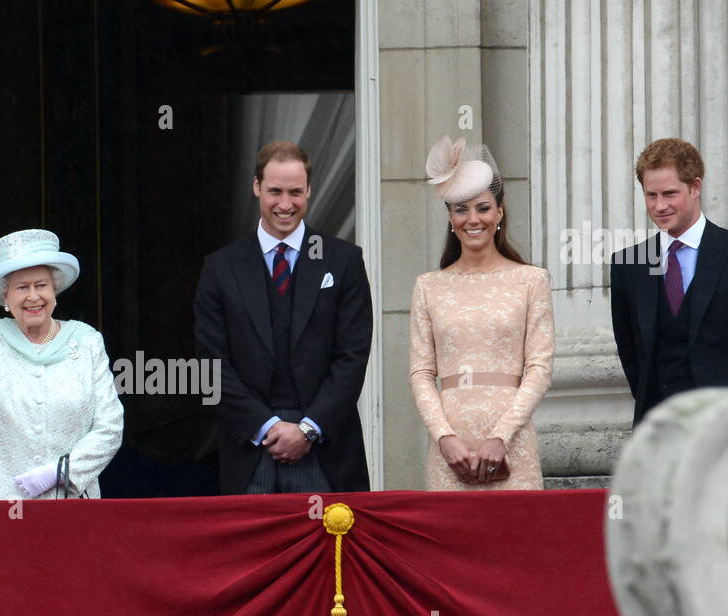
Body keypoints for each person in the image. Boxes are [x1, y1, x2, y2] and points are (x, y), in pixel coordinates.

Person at [193, 141, 373, 495]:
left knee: (327, 535)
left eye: (295, 192)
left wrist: (308, 429)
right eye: (275, 191)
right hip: (249, 448)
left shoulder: (344, 260)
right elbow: (210, 363)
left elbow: (352, 356)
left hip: (327, 449)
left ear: (309, 190)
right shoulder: (220, 267)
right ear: (256, 186)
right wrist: (267, 426)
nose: (286, 204)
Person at [610, 138, 728, 426]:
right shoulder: (628, 265)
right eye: (651, 195)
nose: (660, 206)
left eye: (670, 194)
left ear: (695, 187)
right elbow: (631, 355)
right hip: (659, 431)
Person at [408, 136, 554, 490]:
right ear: (450, 217)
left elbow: (539, 368)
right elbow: (421, 372)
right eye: (462, 209)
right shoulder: (428, 286)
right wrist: (444, 437)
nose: (473, 219)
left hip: (512, 443)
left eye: (483, 208)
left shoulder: (531, 280)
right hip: (449, 450)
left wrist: (501, 436)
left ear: (499, 212)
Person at [0, 229, 123, 500]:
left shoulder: (87, 341)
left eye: (41, 285)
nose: (33, 296)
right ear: (5, 297)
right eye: (22, 287)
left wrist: (60, 472)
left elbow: (110, 426)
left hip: (67, 502)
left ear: (55, 290)